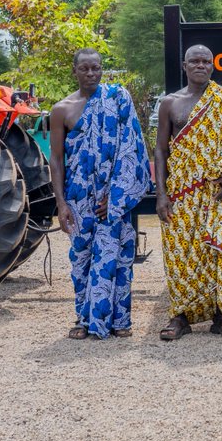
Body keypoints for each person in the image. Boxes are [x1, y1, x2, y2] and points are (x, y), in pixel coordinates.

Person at [155, 45, 222, 340]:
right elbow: (161, 149)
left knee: (215, 251)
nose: (200, 65)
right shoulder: (169, 103)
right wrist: (161, 194)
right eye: (195, 61)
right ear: (184, 65)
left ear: (213, 66)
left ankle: (221, 315)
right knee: (180, 255)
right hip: (180, 192)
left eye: (206, 61)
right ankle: (180, 316)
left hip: (216, 192)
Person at [49, 49, 151, 340]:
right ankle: (83, 318)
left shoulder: (118, 98)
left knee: (115, 257)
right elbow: (56, 159)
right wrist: (61, 203)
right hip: (79, 199)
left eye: (96, 68)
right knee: (81, 260)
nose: (91, 74)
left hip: (113, 196)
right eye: (85, 69)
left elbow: (132, 148)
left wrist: (117, 196)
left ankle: (120, 319)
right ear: (75, 71)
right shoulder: (61, 110)